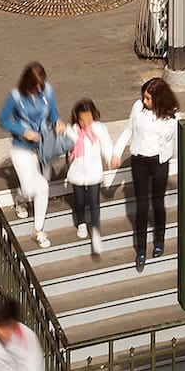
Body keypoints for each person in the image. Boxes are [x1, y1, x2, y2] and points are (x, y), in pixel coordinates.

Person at [111, 77, 179, 274]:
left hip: (159, 161)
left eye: (148, 98)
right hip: (139, 160)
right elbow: (128, 130)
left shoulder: (172, 115)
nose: (144, 101)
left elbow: (175, 140)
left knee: (158, 202)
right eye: (144, 97)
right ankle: (141, 248)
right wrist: (116, 152)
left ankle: (159, 239)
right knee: (141, 205)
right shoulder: (137, 107)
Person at [0, 64, 66, 249]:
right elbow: (3, 120)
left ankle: (38, 230)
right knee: (29, 189)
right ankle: (20, 199)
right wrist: (22, 130)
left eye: (41, 84)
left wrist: (58, 121)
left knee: (43, 186)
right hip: (21, 148)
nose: (39, 88)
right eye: (36, 85)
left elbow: (53, 113)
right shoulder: (16, 96)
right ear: (28, 83)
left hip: (42, 147)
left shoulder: (48, 91)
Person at [60, 102, 113, 259]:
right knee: (80, 199)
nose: (85, 123)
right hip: (77, 172)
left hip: (93, 172)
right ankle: (81, 222)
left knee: (94, 203)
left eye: (88, 119)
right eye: (82, 120)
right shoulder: (72, 131)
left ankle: (96, 233)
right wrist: (60, 134)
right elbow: (63, 146)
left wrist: (111, 159)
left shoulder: (99, 129)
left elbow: (107, 146)